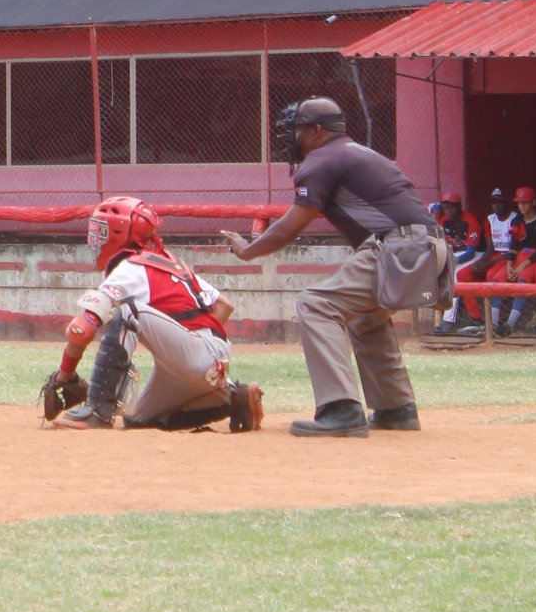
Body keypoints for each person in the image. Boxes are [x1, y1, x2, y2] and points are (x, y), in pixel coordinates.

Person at [220, 97, 446, 438]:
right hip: (428, 248)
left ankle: (341, 410)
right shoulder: (355, 152)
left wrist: (248, 250)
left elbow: (290, 226)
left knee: (316, 303)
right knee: (364, 317)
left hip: (401, 248)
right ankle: (396, 409)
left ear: (316, 131)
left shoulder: (322, 159)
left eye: (296, 130)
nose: (291, 138)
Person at [44, 196, 263, 433]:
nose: (95, 239)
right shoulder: (168, 262)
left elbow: (81, 330)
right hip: (212, 364)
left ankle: (97, 412)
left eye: (102, 231)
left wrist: (65, 375)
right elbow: (223, 306)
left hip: (198, 356)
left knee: (127, 310)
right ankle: (235, 399)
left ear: (121, 234)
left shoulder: (130, 268)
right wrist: (189, 349)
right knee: (138, 421)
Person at [489, 187, 536, 337]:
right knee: (496, 280)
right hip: (519, 257)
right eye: (520, 203)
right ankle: (493, 324)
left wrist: (523, 265)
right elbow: (514, 244)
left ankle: (509, 325)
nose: (522, 206)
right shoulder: (517, 220)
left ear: (533, 202)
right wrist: (509, 264)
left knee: (522, 281)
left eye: (526, 202)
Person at [455, 188, 518, 334]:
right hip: (496, 256)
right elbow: (490, 249)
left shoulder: (515, 218)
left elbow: (513, 250)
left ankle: (494, 323)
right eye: (493, 203)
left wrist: (488, 264)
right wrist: (480, 262)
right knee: (463, 275)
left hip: (511, 258)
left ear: (507, 203)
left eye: (500, 202)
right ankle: (476, 320)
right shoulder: (490, 219)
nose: (496, 206)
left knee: (491, 276)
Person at [434, 192, 484, 334]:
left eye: (452, 207)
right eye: (446, 207)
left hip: (477, 254)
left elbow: (471, 252)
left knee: (455, 274)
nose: (448, 211)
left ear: (459, 207)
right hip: (457, 254)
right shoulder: (444, 221)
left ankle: (449, 321)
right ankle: (441, 320)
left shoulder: (470, 220)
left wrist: (451, 261)